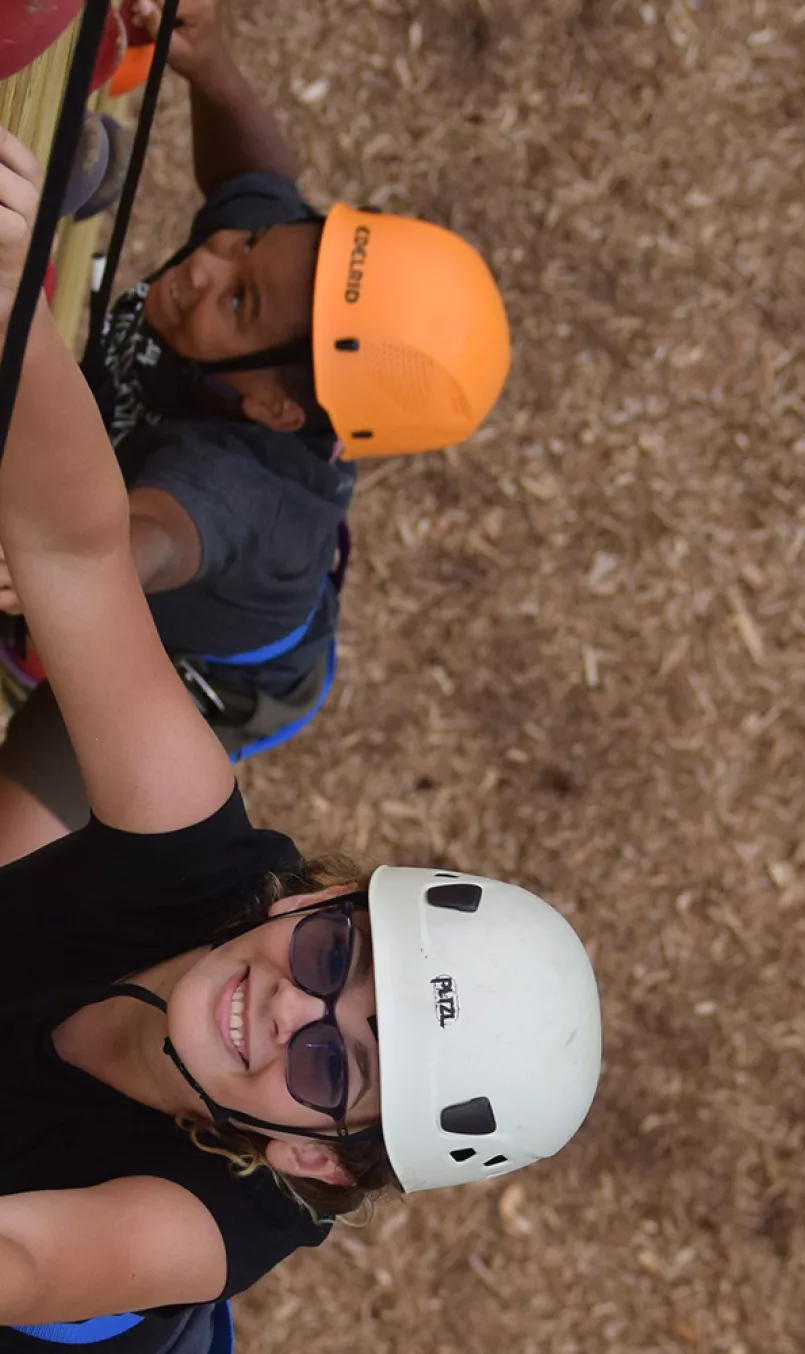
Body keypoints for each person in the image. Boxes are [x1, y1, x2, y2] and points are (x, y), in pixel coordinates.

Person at [0, 126, 596, 1328]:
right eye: (339, 957)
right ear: (310, 899)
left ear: (314, 1160)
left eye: (337, 1068)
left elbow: (17, 1255)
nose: (291, 1010)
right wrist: (10, 286)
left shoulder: (207, 1226)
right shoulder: (209, 867)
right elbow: (77, 555)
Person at [0, 0, 512, 863]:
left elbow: (139, 543)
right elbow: (261, 182)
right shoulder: (270, 287)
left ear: (279, 409)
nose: (208, 262)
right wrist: (215, 70)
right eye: (250, 243)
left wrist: (53, 568)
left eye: (239, 301)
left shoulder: (239, 488)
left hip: (187, 663)